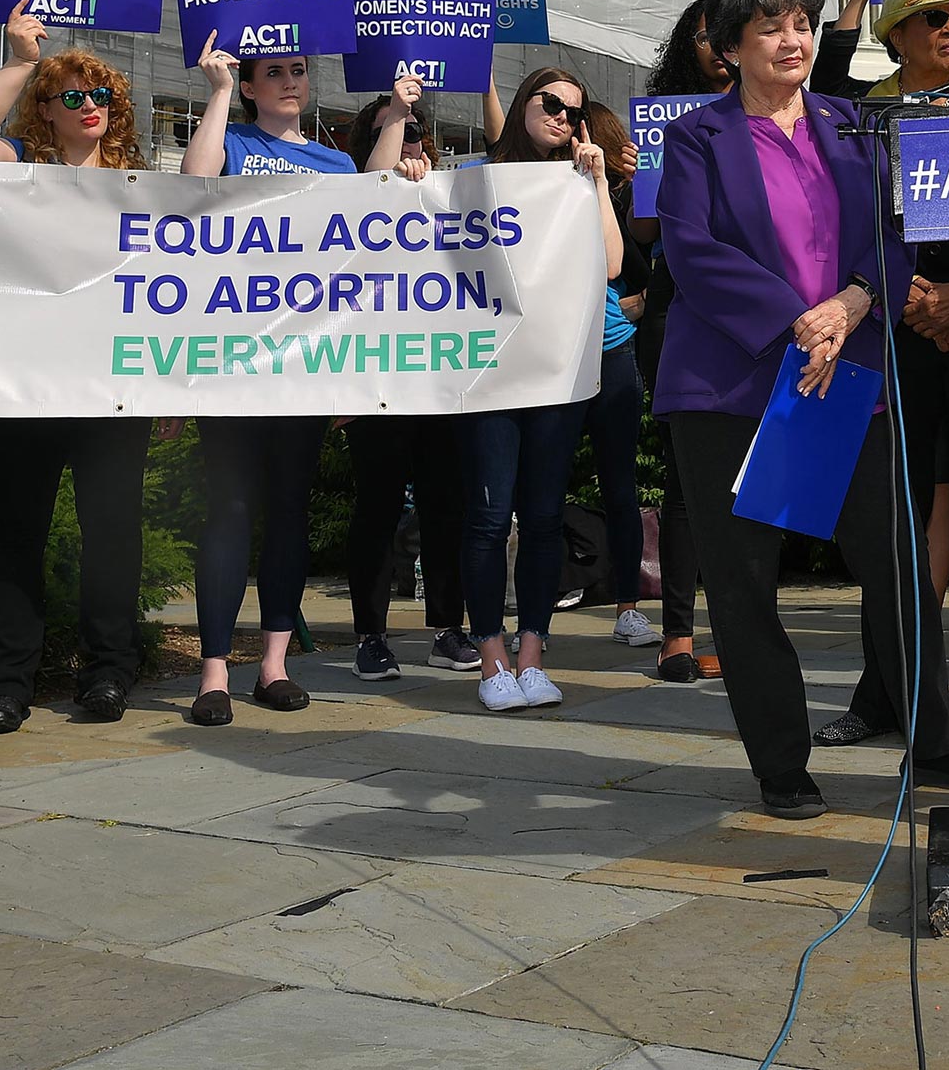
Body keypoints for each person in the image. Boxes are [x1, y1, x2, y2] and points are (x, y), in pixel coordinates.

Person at [654, 0, 949, 819]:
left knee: (898, 568)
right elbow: (691, 251)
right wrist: (797, 320)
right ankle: (781, 762)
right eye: (771, 24)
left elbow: (896, 232)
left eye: (802, 22)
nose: (794, 37)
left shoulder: (854, 123)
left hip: (851, 380)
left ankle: (936, 735)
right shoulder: (695, 136)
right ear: (730, 45)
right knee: (744, 585)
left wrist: (849, 304)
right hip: (732, 390)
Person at [806, 0, 949, 756]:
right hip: (891, 337)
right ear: (894, 35)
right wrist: (915, 303)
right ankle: (886, 694)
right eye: (933, 19)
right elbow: (838, 230)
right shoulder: (858, 118)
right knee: (891, 526)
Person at [0, 1, 157, 732]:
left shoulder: (137, 181)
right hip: (23, 382)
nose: (90, 105)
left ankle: (108, 673)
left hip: (111, 384)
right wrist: (22, 58)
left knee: (112, 532)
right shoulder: (18, 165)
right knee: (14, 532)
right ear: (46, 108)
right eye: (72, 95)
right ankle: (5, 685)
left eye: (100, 94)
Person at [179, 39, 404, 725]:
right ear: (248, 84)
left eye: (297, 70)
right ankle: (214, 669)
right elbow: (194, 183)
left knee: (288, 512)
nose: (287, 81)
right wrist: (217, 94)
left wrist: (396, 114)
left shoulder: (334, 160)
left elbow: (373, 207)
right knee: (229, 512)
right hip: (231, 360)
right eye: (271, 71)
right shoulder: (236, 139)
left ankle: (273, 664)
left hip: (306, 364)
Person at [455, 66, 627, 712]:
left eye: (572, 110)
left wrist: (598, 179)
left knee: (546, 516)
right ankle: (491, 654)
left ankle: (532, 650)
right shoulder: (475, 172)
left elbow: (611, 264)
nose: (560, 115)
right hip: (488, 373)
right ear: (522, 101)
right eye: (548, 102)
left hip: (557, 373)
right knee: (490, 517)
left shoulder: (577, 181)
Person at [337, 88, 475, 677]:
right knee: (378, 508)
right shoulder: (351, 193)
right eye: (398, 131)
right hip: (375, 381)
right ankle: (370, 634)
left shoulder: (452, 199)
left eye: (418, 132)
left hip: (438, 380)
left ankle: (448, 627)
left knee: (446, 508)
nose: (412, 142)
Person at [639, 0, 733, 681]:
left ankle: (735, 625)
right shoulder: (665, 117)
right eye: (705, 34)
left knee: (745, 482)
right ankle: (678, 632)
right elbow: (647, 237)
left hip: (763, 311)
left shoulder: (778, 110)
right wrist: (632, 184)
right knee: (685, 479)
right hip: (681, 307)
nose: (718, 45)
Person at [580, 102, 663, 651]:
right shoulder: (535, 185)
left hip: (611, 351)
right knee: (533, 488)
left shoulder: (616, 195)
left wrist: (632, 309)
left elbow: (639, 267)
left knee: (618, 483)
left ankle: (629, 607)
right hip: (550, 356)